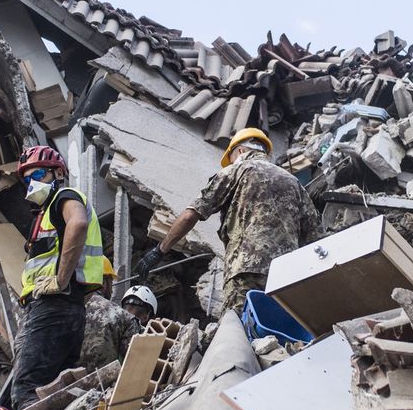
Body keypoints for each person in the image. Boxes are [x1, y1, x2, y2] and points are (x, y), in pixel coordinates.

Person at [135, 127, 318, 318]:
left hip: (246, 272)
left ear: (239, 151)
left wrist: (159, 250)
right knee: (275, 336)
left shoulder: (236, 171)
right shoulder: (294, 183)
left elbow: (191, 215)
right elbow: (316, 238)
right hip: (285, 276)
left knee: (237, 330)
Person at [10, 144, 105, 410]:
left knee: (26, 391)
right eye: (27, 179)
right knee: (56, 387)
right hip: (64, 308)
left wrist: (60, 280)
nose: (32, 183)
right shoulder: (44, 213)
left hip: (54, 304)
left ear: (58, 174)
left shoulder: (64, 196)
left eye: (39, 175)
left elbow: (78, 223)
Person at [80, 284, 156, 369]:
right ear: (147, 315)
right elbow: (133, 360)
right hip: (102, 376)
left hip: (70, 369)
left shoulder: (85, 303)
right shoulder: (130, 322)